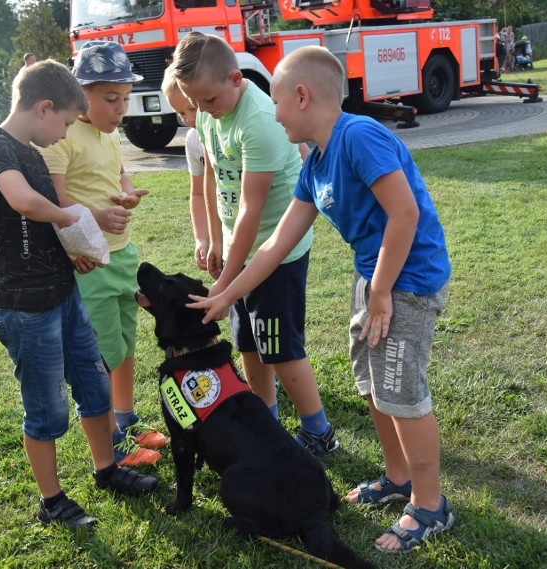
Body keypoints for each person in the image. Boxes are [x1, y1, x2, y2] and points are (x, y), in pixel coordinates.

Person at [188, 45, 453, 554]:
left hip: (408, 281)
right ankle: (398, 477)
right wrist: (225, 294)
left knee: (400, 390)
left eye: (278, 102)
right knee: (373, 383)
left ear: (302, 97)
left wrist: (379, 295)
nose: (274, 111)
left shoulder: (359, 136)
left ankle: (429, 504)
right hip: (373, 279)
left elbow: (404, 215)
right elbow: (273, 246)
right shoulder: (314, 165)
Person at [0, 59, 158, 531]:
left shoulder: (33, 149)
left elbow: (52, 209)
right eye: (67, 123)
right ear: (44, 107)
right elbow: (26, 202)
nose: (65, 133)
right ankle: (51, 501)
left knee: (94, 388)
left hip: (65, 296)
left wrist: (83, 245)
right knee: (46, 407)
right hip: (25, 307)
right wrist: (83, 220)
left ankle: (106, 469)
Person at [171, 32, 340, 456]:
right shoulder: (209, 112)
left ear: (235, 79)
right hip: (238, 250)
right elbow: (212, 177)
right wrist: (213, 240)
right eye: (195, 103)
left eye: (208, 100)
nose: (202, 111)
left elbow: (250, 209)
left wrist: (226, 286)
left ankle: (317, 431)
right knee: (248, 341)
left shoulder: (260, 121)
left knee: (279, 347)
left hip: (275, 253)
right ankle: (269, 422)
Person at [43, 41, 167, 468]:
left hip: (123, 257)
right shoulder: (62, 135)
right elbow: (54, 200)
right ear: (80, 95)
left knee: (127, 345)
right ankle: (111, 438)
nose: (120, 109)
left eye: (125, 100)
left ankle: (127, 420)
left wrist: (128, 193)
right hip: (89, 263)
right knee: (99, 355)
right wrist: (97, 217)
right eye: (111, 99)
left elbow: (117, 172)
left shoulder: (109, 133)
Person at [162, 68, 208, 270]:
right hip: (224, 232)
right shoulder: (193, 139)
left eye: (192, 108)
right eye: (180, 113)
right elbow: (198, 193)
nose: (188, 119)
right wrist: (202, 239)